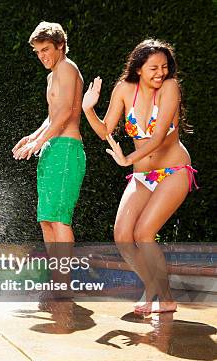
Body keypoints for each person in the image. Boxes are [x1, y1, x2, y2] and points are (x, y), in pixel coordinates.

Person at [82, 39, 196, 314]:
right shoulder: (123, 89)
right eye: (153, 68)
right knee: (122, 236)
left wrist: (127, 159)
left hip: (174, 171)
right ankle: (152, 286)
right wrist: (88, 108)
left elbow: (158, 136)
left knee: (144, 233)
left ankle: (166, 298)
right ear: (139, 68)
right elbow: (105, 129)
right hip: (143, 175)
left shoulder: (170, 88)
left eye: (164, 67)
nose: (160, 73)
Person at [11, 22, 86, 297]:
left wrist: (38, 143)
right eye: (37, 51)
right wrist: (32, 137)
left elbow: (66, 112)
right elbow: (52, 117)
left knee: (60, 220)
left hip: (66, 149)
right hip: (52, 149)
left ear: (61, 46)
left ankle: (64, 285)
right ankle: (57, 281)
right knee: (46, 219)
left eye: (46, 50)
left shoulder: (67, 68)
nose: (42, 55)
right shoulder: (51, 76)